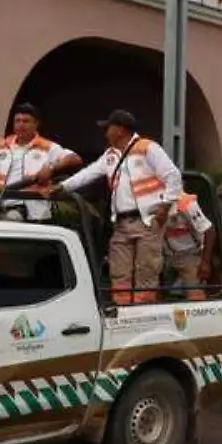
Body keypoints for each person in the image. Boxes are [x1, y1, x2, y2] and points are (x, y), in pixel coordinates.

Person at [54, 110, 182, 305]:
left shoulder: (148, 148)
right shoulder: (110, 155)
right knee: (119, 270)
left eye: (108, 128)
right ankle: (122, 309)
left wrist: (165, 206)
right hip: (122, 222)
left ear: (120, 130)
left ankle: (142, 311)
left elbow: (173, 175)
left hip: (147, 220)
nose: (105, 132)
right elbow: (88, 174)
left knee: (146, 270)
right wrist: (62, 187)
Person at [0, 102, 82, 222]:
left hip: (33, 212)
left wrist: (52, 167)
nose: (21, 125)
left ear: (36, 124)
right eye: (17, 121)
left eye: (26, 121)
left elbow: (75, 159)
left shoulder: (47, 146)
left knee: (13, 220)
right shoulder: (3, 145)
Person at [164, 190, 216, 300]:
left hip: (190, 255)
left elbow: (209, 231)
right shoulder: (153, 201)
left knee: (195, 297)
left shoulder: (186, 203)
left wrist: (205, 262)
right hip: (167, 256)